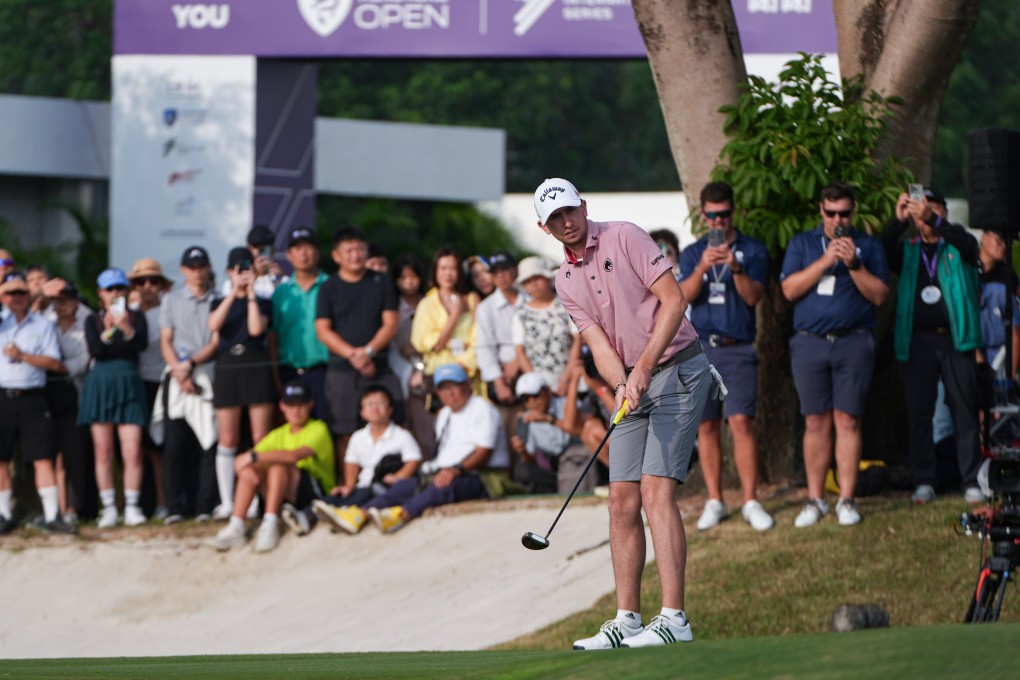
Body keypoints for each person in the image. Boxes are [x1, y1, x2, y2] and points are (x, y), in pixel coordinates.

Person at [535, 177, 712, 649]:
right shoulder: (563, 279)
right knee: (621, 501)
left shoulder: (625, 235)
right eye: (555, 219)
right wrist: (620, 384)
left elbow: (674, 301)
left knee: (656, 491)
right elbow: (595, 341)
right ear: (543, 227)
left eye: (570, 211)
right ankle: (627, 619)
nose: (566, 222)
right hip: (630, 383)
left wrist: (644, 369)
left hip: (678, 369)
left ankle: (674, 618)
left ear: (583, 206)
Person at [780, 181, 889, 527]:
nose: (838, 219)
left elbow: (880, 296)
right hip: (809, 342)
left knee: (848, 420)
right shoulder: (802, 243)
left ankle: (846, 499)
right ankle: (815, 500)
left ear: (853, 213)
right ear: (821, 211)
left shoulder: (869, 246)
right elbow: (789, 289)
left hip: (853, 342)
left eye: (844, 213)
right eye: (831, 213)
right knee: (815, 421)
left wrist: (854, 264)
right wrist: (827, 259)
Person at [679, 181, 774, 532]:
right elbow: (682, 298)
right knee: (705, 426)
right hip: (701, 349)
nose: (718, 222)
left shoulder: (753, 249)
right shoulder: (692, 253)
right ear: (703, 214)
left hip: (738, 348)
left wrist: (735, 268)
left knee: (741, 424)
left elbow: (753, 298)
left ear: (734, 212)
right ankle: (715, 500)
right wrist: (703, 268)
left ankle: (750, 500)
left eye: (724, 214)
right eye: (712, 216)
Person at [881, 187, 984, 505]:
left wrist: (937, 223)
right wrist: (898, 222)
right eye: (921, 210)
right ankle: (924, 479)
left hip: (955, 339)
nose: (926, 216)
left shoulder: (957, 247)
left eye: (933, 209)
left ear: (944, 213)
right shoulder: (909, 249)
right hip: (918, 341)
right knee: (919, 412)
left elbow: (970, 245)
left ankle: (971, 480)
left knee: (964, 411)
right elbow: (882, 252)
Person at [325, 363, 509, 535]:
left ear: (467, 385)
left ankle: (400, 515)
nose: (450, 393)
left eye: (455, 386)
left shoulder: (483, 409)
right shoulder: (444, 414)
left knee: (444, 486)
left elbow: (484, 453)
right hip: (448, 472)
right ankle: (359, 514)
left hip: (484, 476)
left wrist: (456, 470)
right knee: (404, 486)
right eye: (444, 388)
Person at [207, 380, 335, 553]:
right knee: (252, 469)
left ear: (310, 405)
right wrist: (247, 467)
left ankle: (270, 523)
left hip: (314, 494)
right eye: (291, 405)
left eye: (301, 405)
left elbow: (293, 456)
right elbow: (241, 462)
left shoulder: (318, 428)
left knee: (278, 465)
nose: (295, 410)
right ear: (282, 406)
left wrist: (252, 457)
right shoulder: (279, 433)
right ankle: (236, 525)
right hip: (283, 492)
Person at [315, 227, 403, 460]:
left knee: (393, 423)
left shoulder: (381, 282)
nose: (355, 255)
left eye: (360, 249)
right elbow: (323, 331)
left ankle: (389, 480)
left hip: (379, 367)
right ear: (336, 256)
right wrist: (355, 356)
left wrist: (369, 352)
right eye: (349, 250)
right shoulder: (328, 287)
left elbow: (391, 323)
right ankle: (349, 485)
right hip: (342, 370)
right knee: (344, 432)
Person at [0, 273, 74, 534]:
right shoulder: (2, 323)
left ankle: (52, 514)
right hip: (3, 396)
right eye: (10, 294)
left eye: (21, 293)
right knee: (1, 458)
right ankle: (3, 513)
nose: (16, 298)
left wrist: (23, 356)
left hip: (32, 395)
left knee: (43, 457)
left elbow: (54, 362)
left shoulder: (42, 325)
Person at [208, 247, 277, 519]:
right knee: (228, 438)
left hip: (255, 365)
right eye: (238, 270)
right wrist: (233, 293)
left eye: (246, 269)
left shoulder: (263, 301)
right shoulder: (218, 301)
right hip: (228, 366)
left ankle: (256, 501)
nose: (243, 274)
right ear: (229, 272)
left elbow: (256, 329)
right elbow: (214, 324)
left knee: (260, 438)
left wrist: (249, 295)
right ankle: (228, 501)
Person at [79, 268, 150, 528]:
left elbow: (138, 344)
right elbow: (97, 350)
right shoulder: (92, 320)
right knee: (103, 450)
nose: (115, 293)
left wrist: (126, 328)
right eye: (110, 289)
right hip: (101, 384)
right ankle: (108, 507)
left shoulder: (137, 318)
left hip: (129, 381)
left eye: (120, 288)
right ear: (100, 294)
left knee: (132, 450)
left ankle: (132, 506)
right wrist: (109, 331)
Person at [155, 246, 220, 523]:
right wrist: (181, 372)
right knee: (175, 446)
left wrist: (190, 366)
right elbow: (166, 340)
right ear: (183, 271)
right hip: (177, 378)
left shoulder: (218, 299)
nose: (197, 272)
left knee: (209, 444)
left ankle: (204, 506)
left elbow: (216, 342)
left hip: (207, 373)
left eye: (201, 266)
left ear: (208, 268)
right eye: (192, 267)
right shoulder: (170, 300)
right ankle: (174, 507)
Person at [313, 385, 422, 532]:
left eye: (380, 403)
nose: (375, 408)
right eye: (370, 404)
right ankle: (306, 516)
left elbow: (413, 460)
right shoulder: (357, 437)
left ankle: (343, 514)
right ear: (362, 412)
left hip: (384, 486)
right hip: (362, 486)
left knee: (363, 495)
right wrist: (348, 486)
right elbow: (351, 463)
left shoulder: (402, 435)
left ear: (390, 409)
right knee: (335, 497)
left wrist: (398, 477)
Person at [271, 227, 330, 421]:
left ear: (317, 253)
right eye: (297, 248)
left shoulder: (332, 286)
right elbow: (273, 336)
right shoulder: (281, 292)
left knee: (327, 429)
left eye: (308, 247)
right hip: (288, 373)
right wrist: (276, 377)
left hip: (325, 372)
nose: (303, 253)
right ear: (289, 255)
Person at [128, 258, 172, 519]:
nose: (147, 286)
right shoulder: (128, 312)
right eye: (141, 282)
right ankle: (134, 506)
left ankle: (162, 503)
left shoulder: (167, 311)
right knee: (134, 450)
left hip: (160, 383)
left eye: (153, 281)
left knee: (158, 449)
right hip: (133, 384)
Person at [47, 281, 94, 524]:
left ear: (76, 301)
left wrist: (53, 366)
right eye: (57, 299)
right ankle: (57, 509)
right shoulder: (46, 321)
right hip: (47, 395)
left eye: (66, 299)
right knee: (53, 457)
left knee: (74, 455)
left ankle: (75, 508)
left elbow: (84, 360)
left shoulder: (88, 321)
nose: (61, 304)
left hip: (77, 394)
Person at [411, 247, 482, 399]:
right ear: (436, 271)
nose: (447, 274)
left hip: (467, 372)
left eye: (453, 269)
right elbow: (430, 344)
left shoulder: (472, 298)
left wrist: (464, 364)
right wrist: (455, 315)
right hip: (437, 372)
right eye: (443, 268)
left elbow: (480, 337)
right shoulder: (427, 303)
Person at [512, 256, 580, 395]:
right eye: (528, 281)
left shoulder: (566, 304)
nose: (534, 284)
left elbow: (577, 340)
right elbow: (520, 352)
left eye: (538, 278)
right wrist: (538, 385)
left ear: (548, 278)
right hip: (540, 391)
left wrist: (567, 378)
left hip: (573, 381)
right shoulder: (520, 314)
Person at [389, 254, 433, 453]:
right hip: (397, 365)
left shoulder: (429, 303)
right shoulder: (392, 306)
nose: (409, 282)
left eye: (413, 277)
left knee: (424, 419)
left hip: (426, 365)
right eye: (403, 277)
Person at [977, 229, 1020, 377]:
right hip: (968, 351)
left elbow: (1015, 332)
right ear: (984, 238)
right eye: (999, 240)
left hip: (999, 353)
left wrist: (1011, 377)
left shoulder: (1008, 275)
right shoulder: (966, 267)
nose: (1004, 246)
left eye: (1008, 243)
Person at [222, 225, 285, 300]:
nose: (259, 251)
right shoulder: (234, 281)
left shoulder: (283, 280)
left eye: (265, 247)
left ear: (274, 250)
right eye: (256, 246)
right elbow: (232, 304)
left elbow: (285, 307)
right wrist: (254, 274)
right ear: (248, 249)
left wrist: (279, 284)